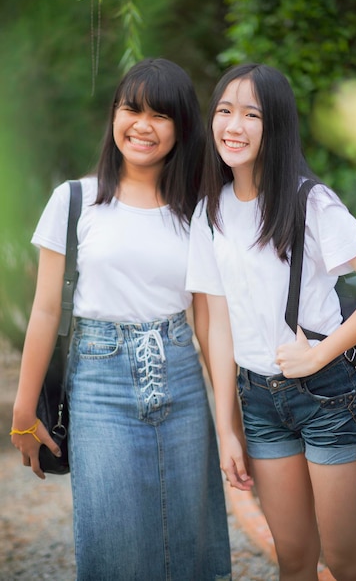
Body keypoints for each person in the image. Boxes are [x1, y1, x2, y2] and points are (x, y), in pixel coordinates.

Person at [186, 63, 356, 581]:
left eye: (251, 114)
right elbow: (216, 326)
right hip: (258, 400)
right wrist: (227, 428)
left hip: (325, 393)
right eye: (224, 111)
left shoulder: (311, 202)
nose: (233, 126)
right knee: (293, 557)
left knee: (347, 557)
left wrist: (317, 354)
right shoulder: (210, 212)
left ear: (276, 125)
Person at [10, 58, 231, 581]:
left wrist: (230, 417)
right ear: (115, 116)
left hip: (180, 375)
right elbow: (44, 310)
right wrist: (23, 413)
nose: (143, 125)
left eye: (160, 115)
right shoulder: (74, 199)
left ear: (181, 129)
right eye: (132, 109)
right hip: (98, 381)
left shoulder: (197, 209)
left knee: (187, 542)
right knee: (115, 544)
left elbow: (208, 320)